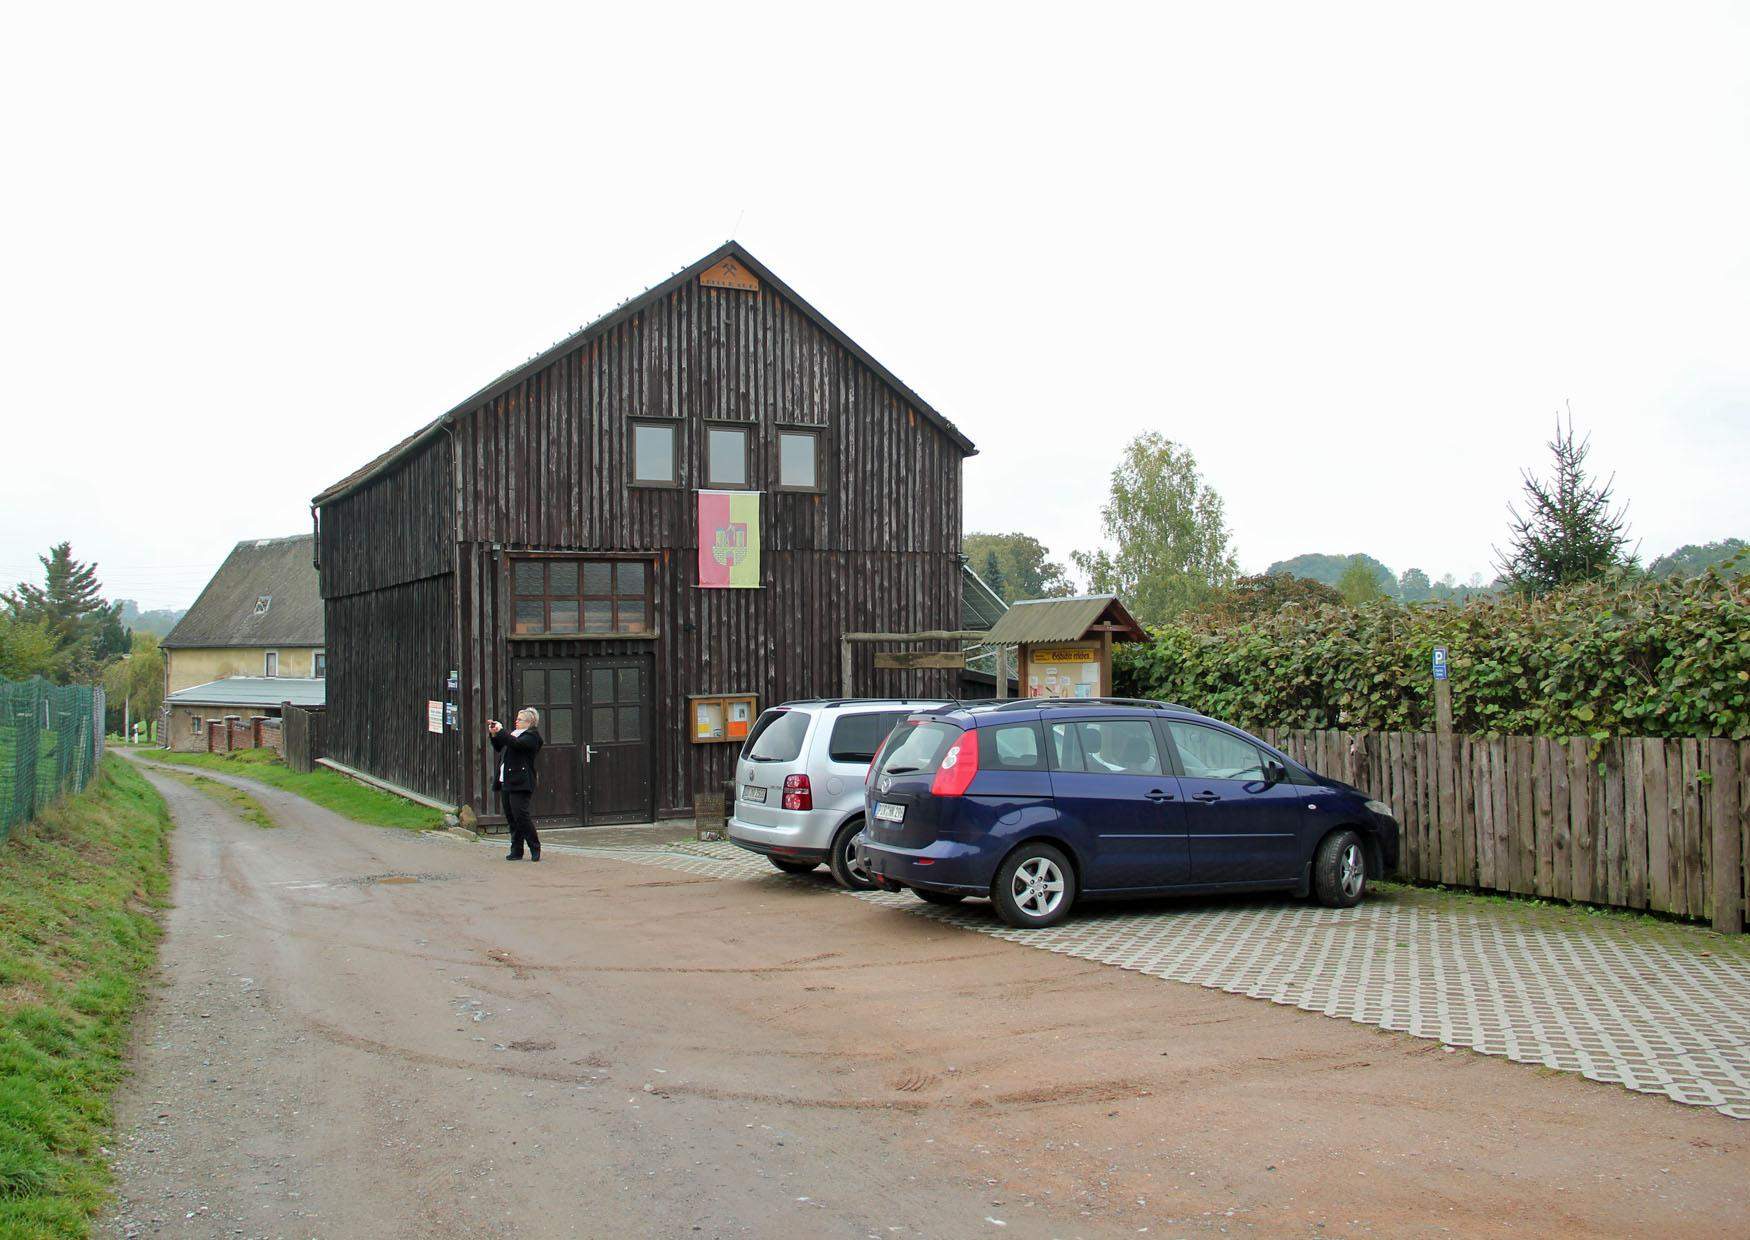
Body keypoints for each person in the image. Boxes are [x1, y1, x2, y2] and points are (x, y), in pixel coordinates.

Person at [489, 708, 544, 861]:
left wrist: (501, 731)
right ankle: (516, 850)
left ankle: (535, 847)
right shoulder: (513, 734)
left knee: (521, 816)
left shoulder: (532, 736)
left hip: (521, 781)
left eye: (520, 719)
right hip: (506, 779)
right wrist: (494, 733)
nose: (516, 721)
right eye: (517, 718)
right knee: (512, 817)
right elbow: (500, 746)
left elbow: (516, 744)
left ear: (529, 722)